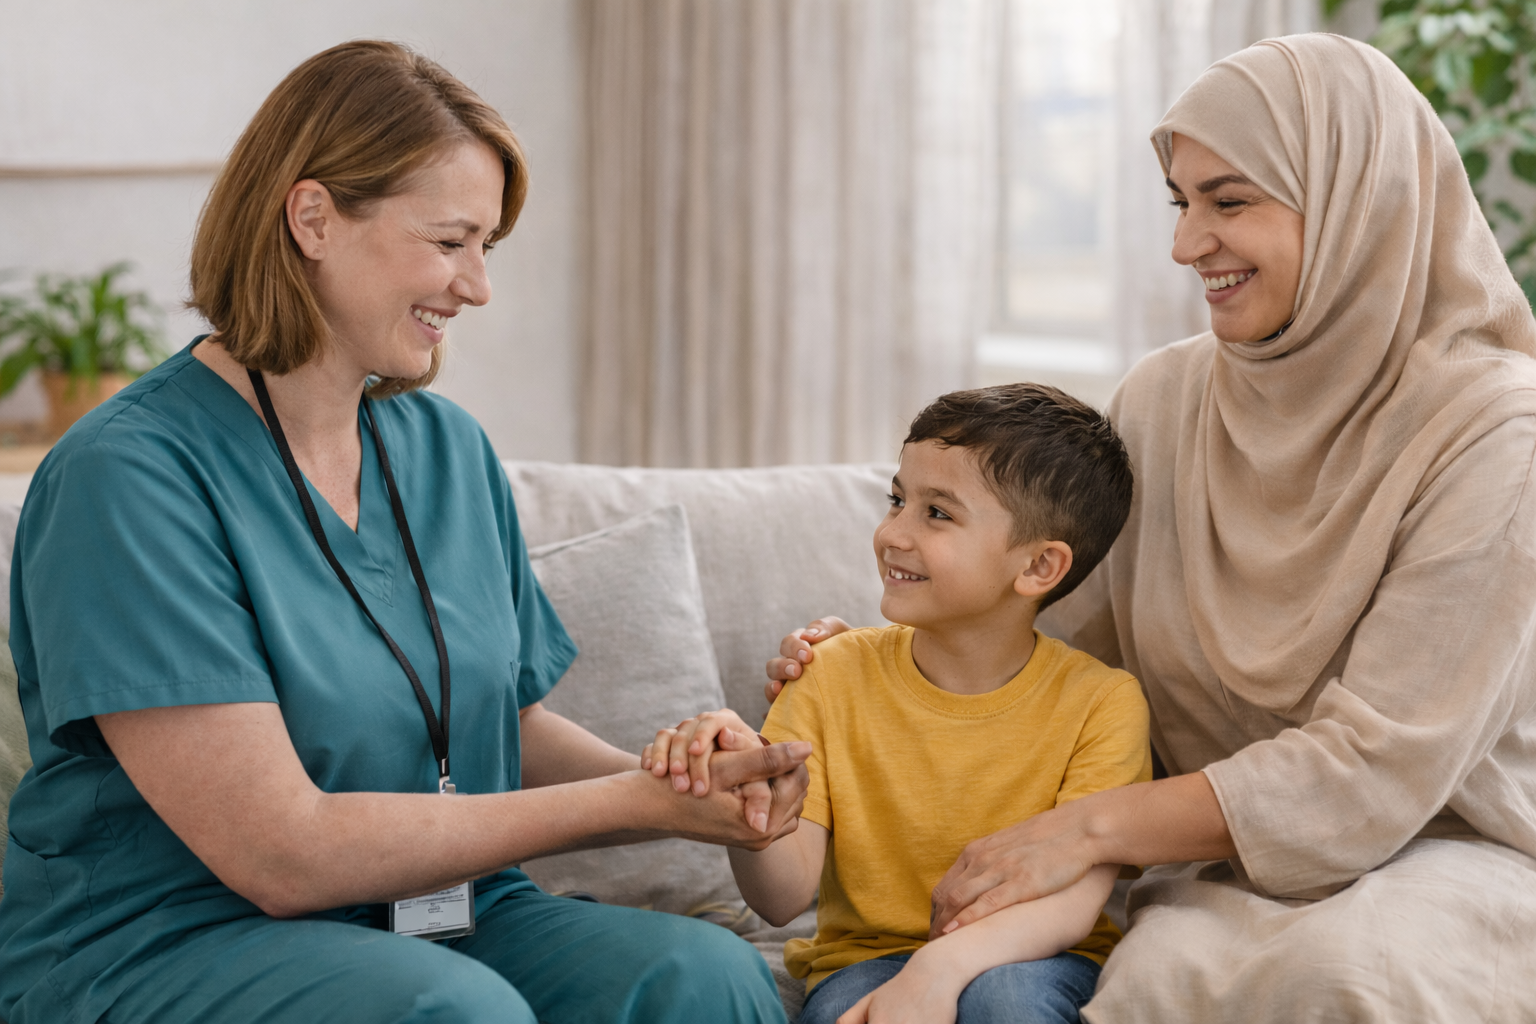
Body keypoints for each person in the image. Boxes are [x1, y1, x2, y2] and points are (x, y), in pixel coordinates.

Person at [0, 41, 808, 1024]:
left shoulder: (447, 450)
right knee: (452, 1012)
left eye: (487, 248)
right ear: (313, 218)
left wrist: (691, 781)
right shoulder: (127, 477)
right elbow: (277, 853)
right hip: (173, 934)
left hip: (444, 917)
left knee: (700, 977)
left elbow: (499, 721)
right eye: (449, 240)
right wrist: (634, 807)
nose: (476, 286)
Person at [758, 34, 1536, 1021]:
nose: (1185, 244)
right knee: (1155, 979)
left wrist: (1087, 831)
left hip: (1447, 844)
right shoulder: (1165, 402)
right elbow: (1046, 642)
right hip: (1210, 862)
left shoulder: (1499, 431)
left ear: (1353, 200)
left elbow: (1374, 771)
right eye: (1182, 201)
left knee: (1340, 978)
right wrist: (871, 661)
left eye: (1231, 200)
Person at [652, 384, 1152, 1024]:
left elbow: (1071, 907)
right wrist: (746, 798)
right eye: (896, 500)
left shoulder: (1103, 704)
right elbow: (782, 899)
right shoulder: (829, 673)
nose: (892, 532)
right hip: (866, 961)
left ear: (1039, 567)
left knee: (1005, 1001)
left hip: (1036, 959)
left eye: (937, 513)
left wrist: (941, 970)